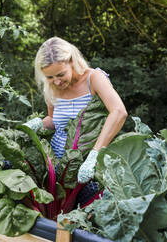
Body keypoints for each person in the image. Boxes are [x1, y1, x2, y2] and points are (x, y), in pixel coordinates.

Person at [24, 36, 127, 184]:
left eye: (60, 74)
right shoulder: (51, 87)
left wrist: (94, 155)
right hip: (59, 164)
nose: (57, 81)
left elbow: (118, 112)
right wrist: (35, 125)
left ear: (72, 62)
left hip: (89, 164)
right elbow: (54, 121)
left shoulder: (94, 78)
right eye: (50, 77)